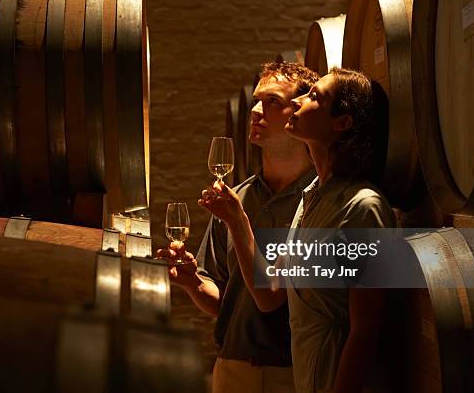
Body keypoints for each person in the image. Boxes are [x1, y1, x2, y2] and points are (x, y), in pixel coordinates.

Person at [199, 67, 395, 393]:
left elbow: (366, 331)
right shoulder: (312, 198)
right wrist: (236, 219)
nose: (301, 100)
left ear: (341, 123)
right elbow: (268, 295)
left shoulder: (363, 208)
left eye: (315, 96)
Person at [157, 62, 319, 393]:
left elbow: (271, 299)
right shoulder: (241, 195)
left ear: (300, 111)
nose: (256, 111)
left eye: (273, 101)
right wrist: (193, 284)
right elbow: (224, 300)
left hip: (292, 374)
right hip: (231, 370)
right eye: (257, 101)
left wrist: (238, 221)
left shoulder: (319, 200)